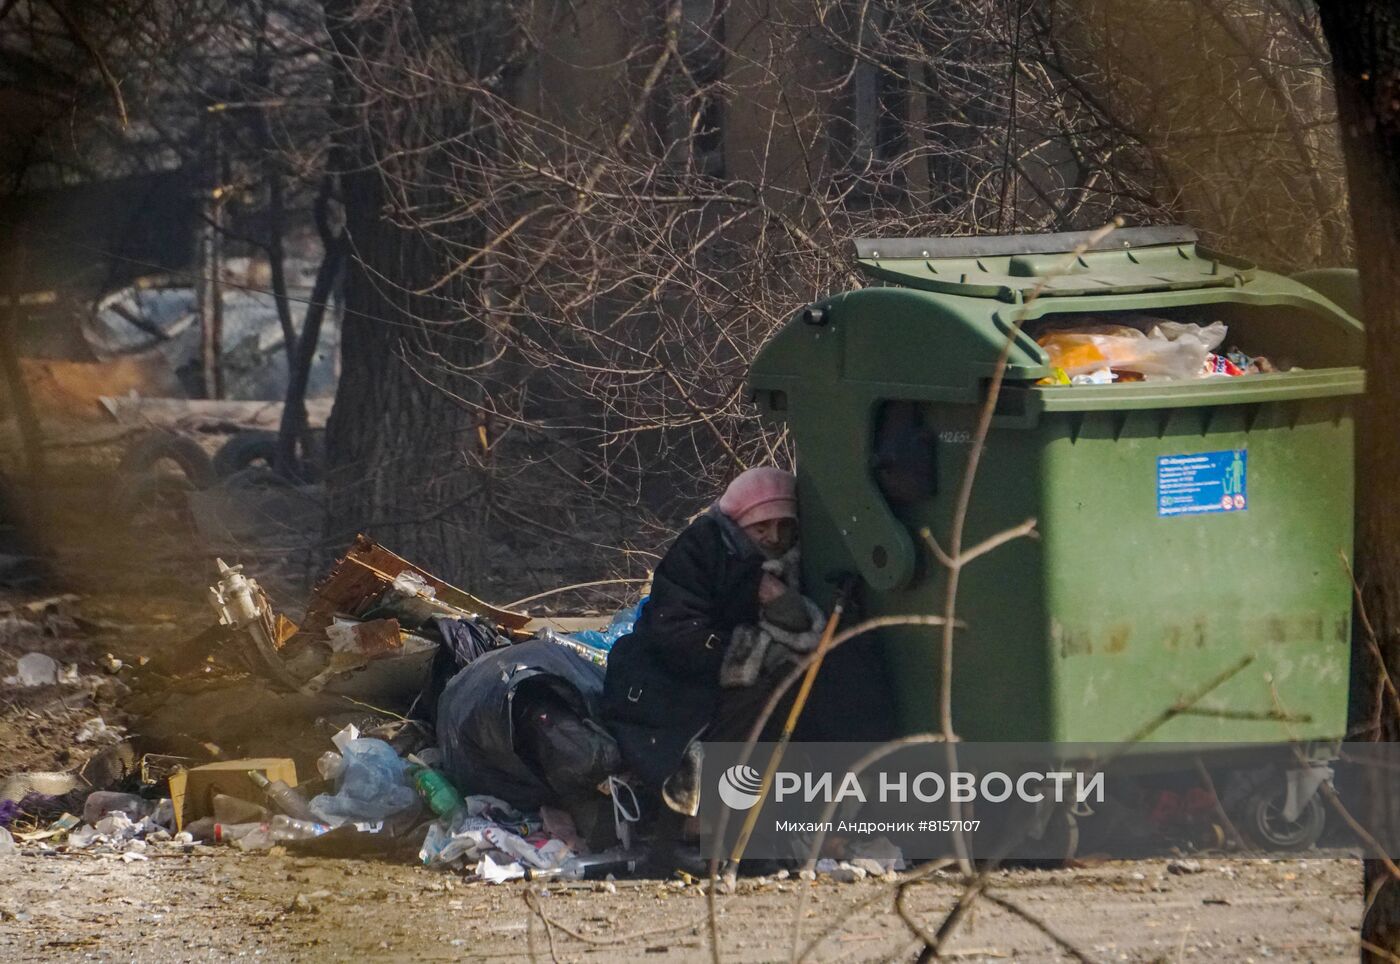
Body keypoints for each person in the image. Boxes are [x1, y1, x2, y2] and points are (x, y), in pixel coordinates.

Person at [601, 466, 825, 823]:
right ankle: (704, 820)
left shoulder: (790, 564)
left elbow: (802, 628)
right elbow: (675, 632)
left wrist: (782, 605)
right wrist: (755, 654)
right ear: (740, 523)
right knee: (755, 700)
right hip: (660, 683)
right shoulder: (703, 548)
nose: (773, 537)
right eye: (761, 527)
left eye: (783, 526)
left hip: (710, 677)